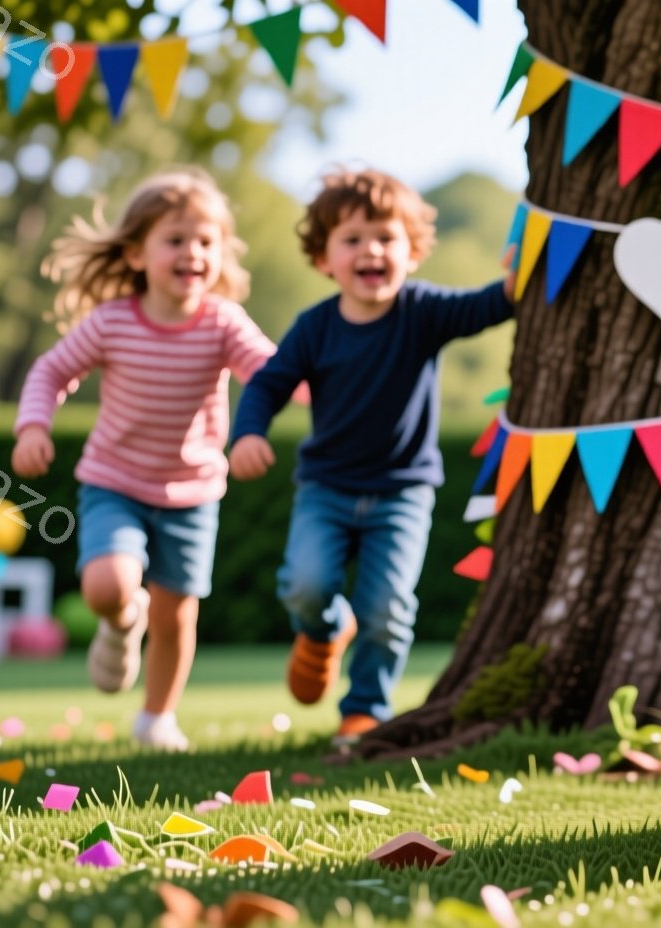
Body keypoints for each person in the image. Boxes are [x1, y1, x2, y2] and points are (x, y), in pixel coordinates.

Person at [230, 167, 514, 743]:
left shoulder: (423, 311)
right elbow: (266, 384)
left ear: (412, 252)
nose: (372, 251)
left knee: (388, 607)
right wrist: (249, 433)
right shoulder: (315, 328)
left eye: (387, 238)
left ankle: (364, 707)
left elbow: (484, 307)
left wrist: (515, 282)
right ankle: (324, 631)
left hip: (402, 492)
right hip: (326, 489)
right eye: (353, 240)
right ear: (324, 259)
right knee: (306, 585)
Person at [12, 168, 277, 751]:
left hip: (194, 490)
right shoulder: (113, 322)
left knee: (177, 612)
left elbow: (271, 371)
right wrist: (34, 424)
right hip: (115, 482)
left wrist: (321, 388)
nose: (193, 254)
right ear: (136, 252)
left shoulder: (223, 321)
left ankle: (157, 717)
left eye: (207, 241)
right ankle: (119, 620)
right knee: (109, 585)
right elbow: (51, 369)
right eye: (176, 240)